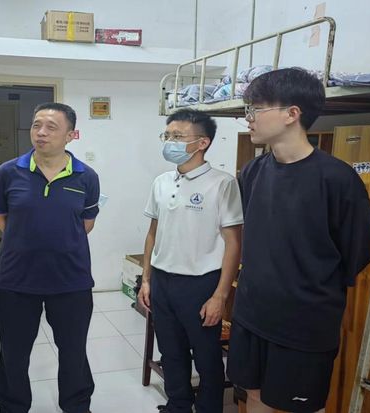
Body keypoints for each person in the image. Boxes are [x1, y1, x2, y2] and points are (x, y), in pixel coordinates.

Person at [226, 68, 370, 413]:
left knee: (302, 406)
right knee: (253, 395)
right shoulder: (253, 172)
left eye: (256, 109)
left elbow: (359, 250)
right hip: (252, 313)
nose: (248, 118)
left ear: (292, 113)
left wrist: (309, 287)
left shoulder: (337, 179)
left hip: (304, 322)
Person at [0, 102, 100, 413]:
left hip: (71, 280)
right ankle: (12, 406)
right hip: (16, 279)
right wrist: (27, 241)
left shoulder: (86, 176)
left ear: (71, 135)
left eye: (51, 127)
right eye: (37, 125)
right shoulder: (9, 171)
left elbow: (86, 223)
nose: (41, 132)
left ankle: (76, 406)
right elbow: (1, 218)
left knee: (73, 351)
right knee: (13, 352)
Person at [137, 108, 243, 413]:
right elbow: (152, 234)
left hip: (201, 284)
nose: (170, 141)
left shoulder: (222, 183)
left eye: (178, 136)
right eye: (167, 135)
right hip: (163, 280)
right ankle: (178, 405)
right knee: (171, 351)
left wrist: (220, 296)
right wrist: (147, 280)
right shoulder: (161, 182)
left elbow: (234, 243)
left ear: (202, 143)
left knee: (207, 356)